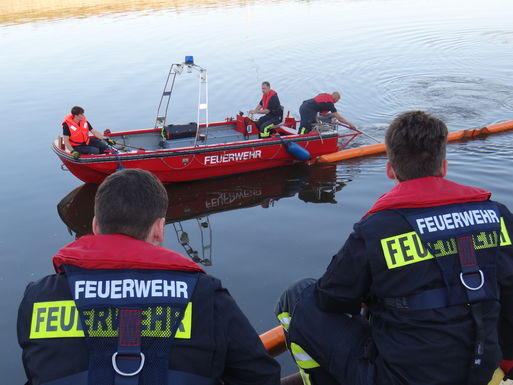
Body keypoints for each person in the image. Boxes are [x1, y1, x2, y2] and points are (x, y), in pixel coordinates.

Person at [275, 111, 513, 385]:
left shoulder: (376, 229)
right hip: (479, 369)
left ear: (391, 169)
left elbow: (330, 298)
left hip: (400, 377)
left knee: (299, 295)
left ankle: (316, 380)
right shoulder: (498, 216)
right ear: (444, 167)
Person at [17, 169, 280, 385]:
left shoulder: (39, 297)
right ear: (158, 229)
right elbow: (260, 376)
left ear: (96, 226)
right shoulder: (205, 295)